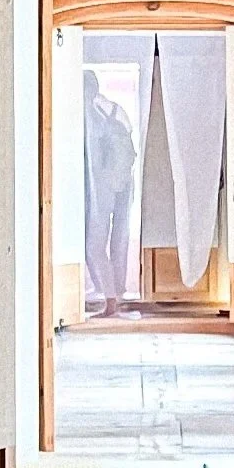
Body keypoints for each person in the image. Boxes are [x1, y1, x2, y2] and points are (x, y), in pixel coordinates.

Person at [82, 68, 137, 310]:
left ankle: (109, 297)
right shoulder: (115, 109)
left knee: (94, 244)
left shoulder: (89, 114)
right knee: (119, 238)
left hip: (101, 185)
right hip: (124, 182)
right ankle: (116, 290)